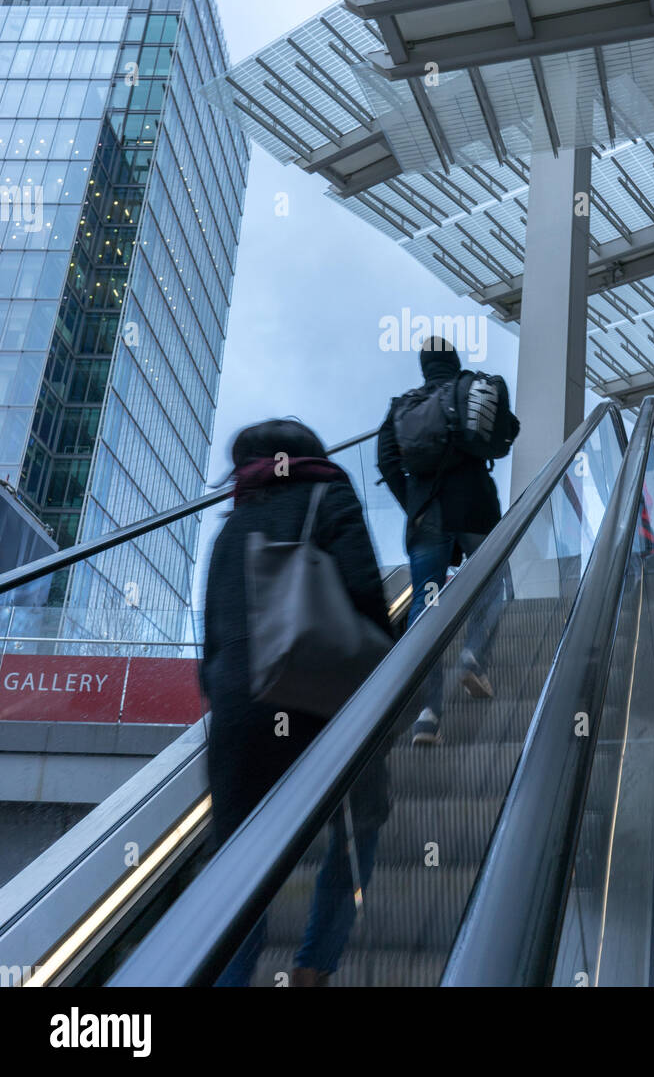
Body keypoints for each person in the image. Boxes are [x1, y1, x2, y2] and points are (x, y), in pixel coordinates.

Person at [202, 418, 393, 986]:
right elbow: (363, 590)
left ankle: (231, 976)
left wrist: (227, 699)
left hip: (239, 709)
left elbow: (212, 639)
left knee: (238, 860)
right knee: (362, 817)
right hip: (321, 695)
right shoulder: (328, 492)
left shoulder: (231, 528)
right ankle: (313, 967)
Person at [377, 338, 518, 746]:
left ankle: (427, 713)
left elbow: (386, 460)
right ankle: (474, 653)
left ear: (424, 366)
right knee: (495, 584)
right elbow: (506, 432)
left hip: (427, 517)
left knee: (425, 604)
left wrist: (414, 504)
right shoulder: (469, 388)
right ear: (454, 361)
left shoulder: (403, 404)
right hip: (474, 508)